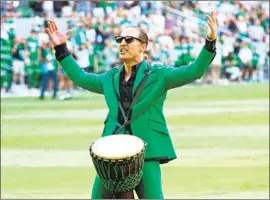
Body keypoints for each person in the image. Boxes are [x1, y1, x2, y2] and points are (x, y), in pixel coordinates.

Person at [46, 11, 217, 199]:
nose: (122, 43)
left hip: (147, 150)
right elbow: (80, 77)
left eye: (129, 39)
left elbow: (194, 71)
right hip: (112, 151)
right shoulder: (109, 77)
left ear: (143, 46)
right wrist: (61, 49)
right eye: (120, 39)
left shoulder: (159, 75)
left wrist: (210, 41)